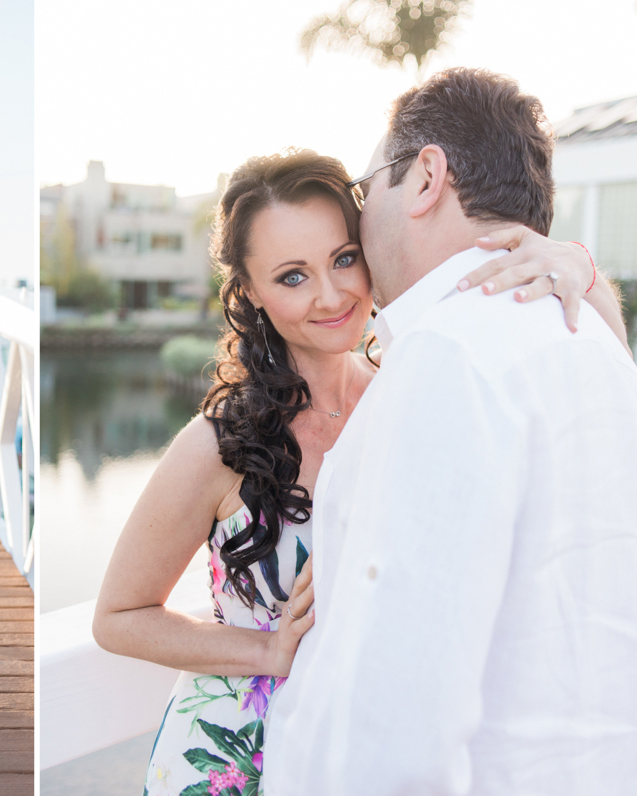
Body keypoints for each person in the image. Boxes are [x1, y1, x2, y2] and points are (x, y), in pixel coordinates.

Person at [92, 142, 627, 793]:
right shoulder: (216, 444)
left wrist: (580, 271)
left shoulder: (411, 390)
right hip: (231, 757)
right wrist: (265, 651)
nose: (332, 294)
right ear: (253, 294)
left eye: (345, 258)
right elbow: (118, 615)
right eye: (293, 276)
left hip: (360, 757)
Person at [263, 68, 637, 795]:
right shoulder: (596, 345)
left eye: (369, 189)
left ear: (427, 176)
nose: (360, 222)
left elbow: (392, 730)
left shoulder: (449, 355)